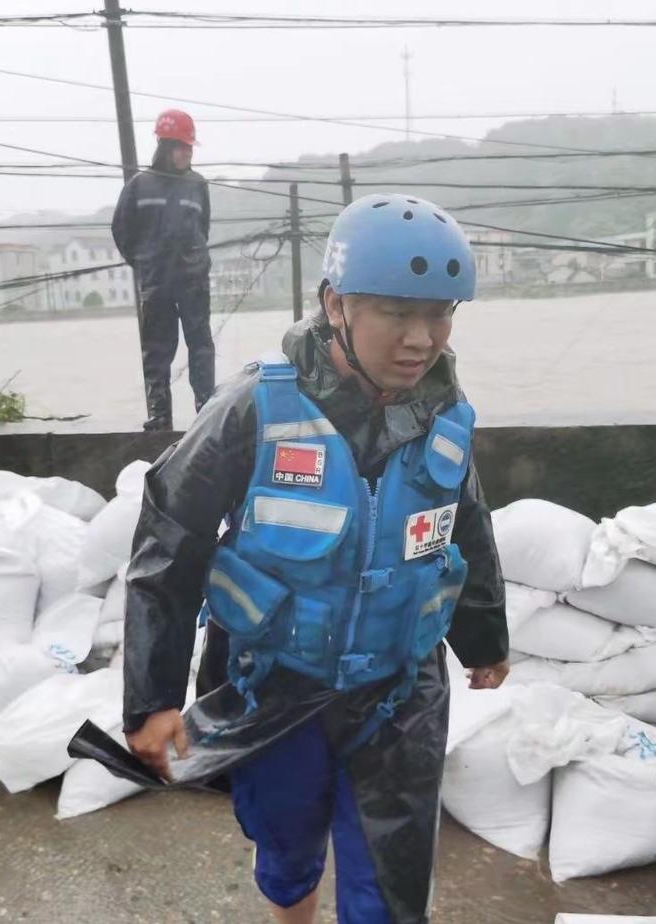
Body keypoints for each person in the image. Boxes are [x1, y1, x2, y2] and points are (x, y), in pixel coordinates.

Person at [119, 193, 510, 924]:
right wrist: (153, 697)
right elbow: (171, 540)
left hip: (400, 689)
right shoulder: (254, 407)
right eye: (396, 312)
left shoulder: (446, 416)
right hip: (277, 684)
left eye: (439, 314)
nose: (421, 339)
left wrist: (484, 638)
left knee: (389, 891)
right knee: (287, 846)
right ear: (336, 304)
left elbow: (466, 526)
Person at [112, 108, 214, 432]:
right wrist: (144, 264)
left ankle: (206, 409)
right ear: (165, 147)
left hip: (193, 280)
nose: (187, 153)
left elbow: (203, 228)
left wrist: (194, 261)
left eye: (189, 147)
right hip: (156, 281)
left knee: (200, 344)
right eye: (182, 147)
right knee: (157, 350)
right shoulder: (139, 186)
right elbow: (122, 231)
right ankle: (160, 416)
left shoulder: (198, 185)